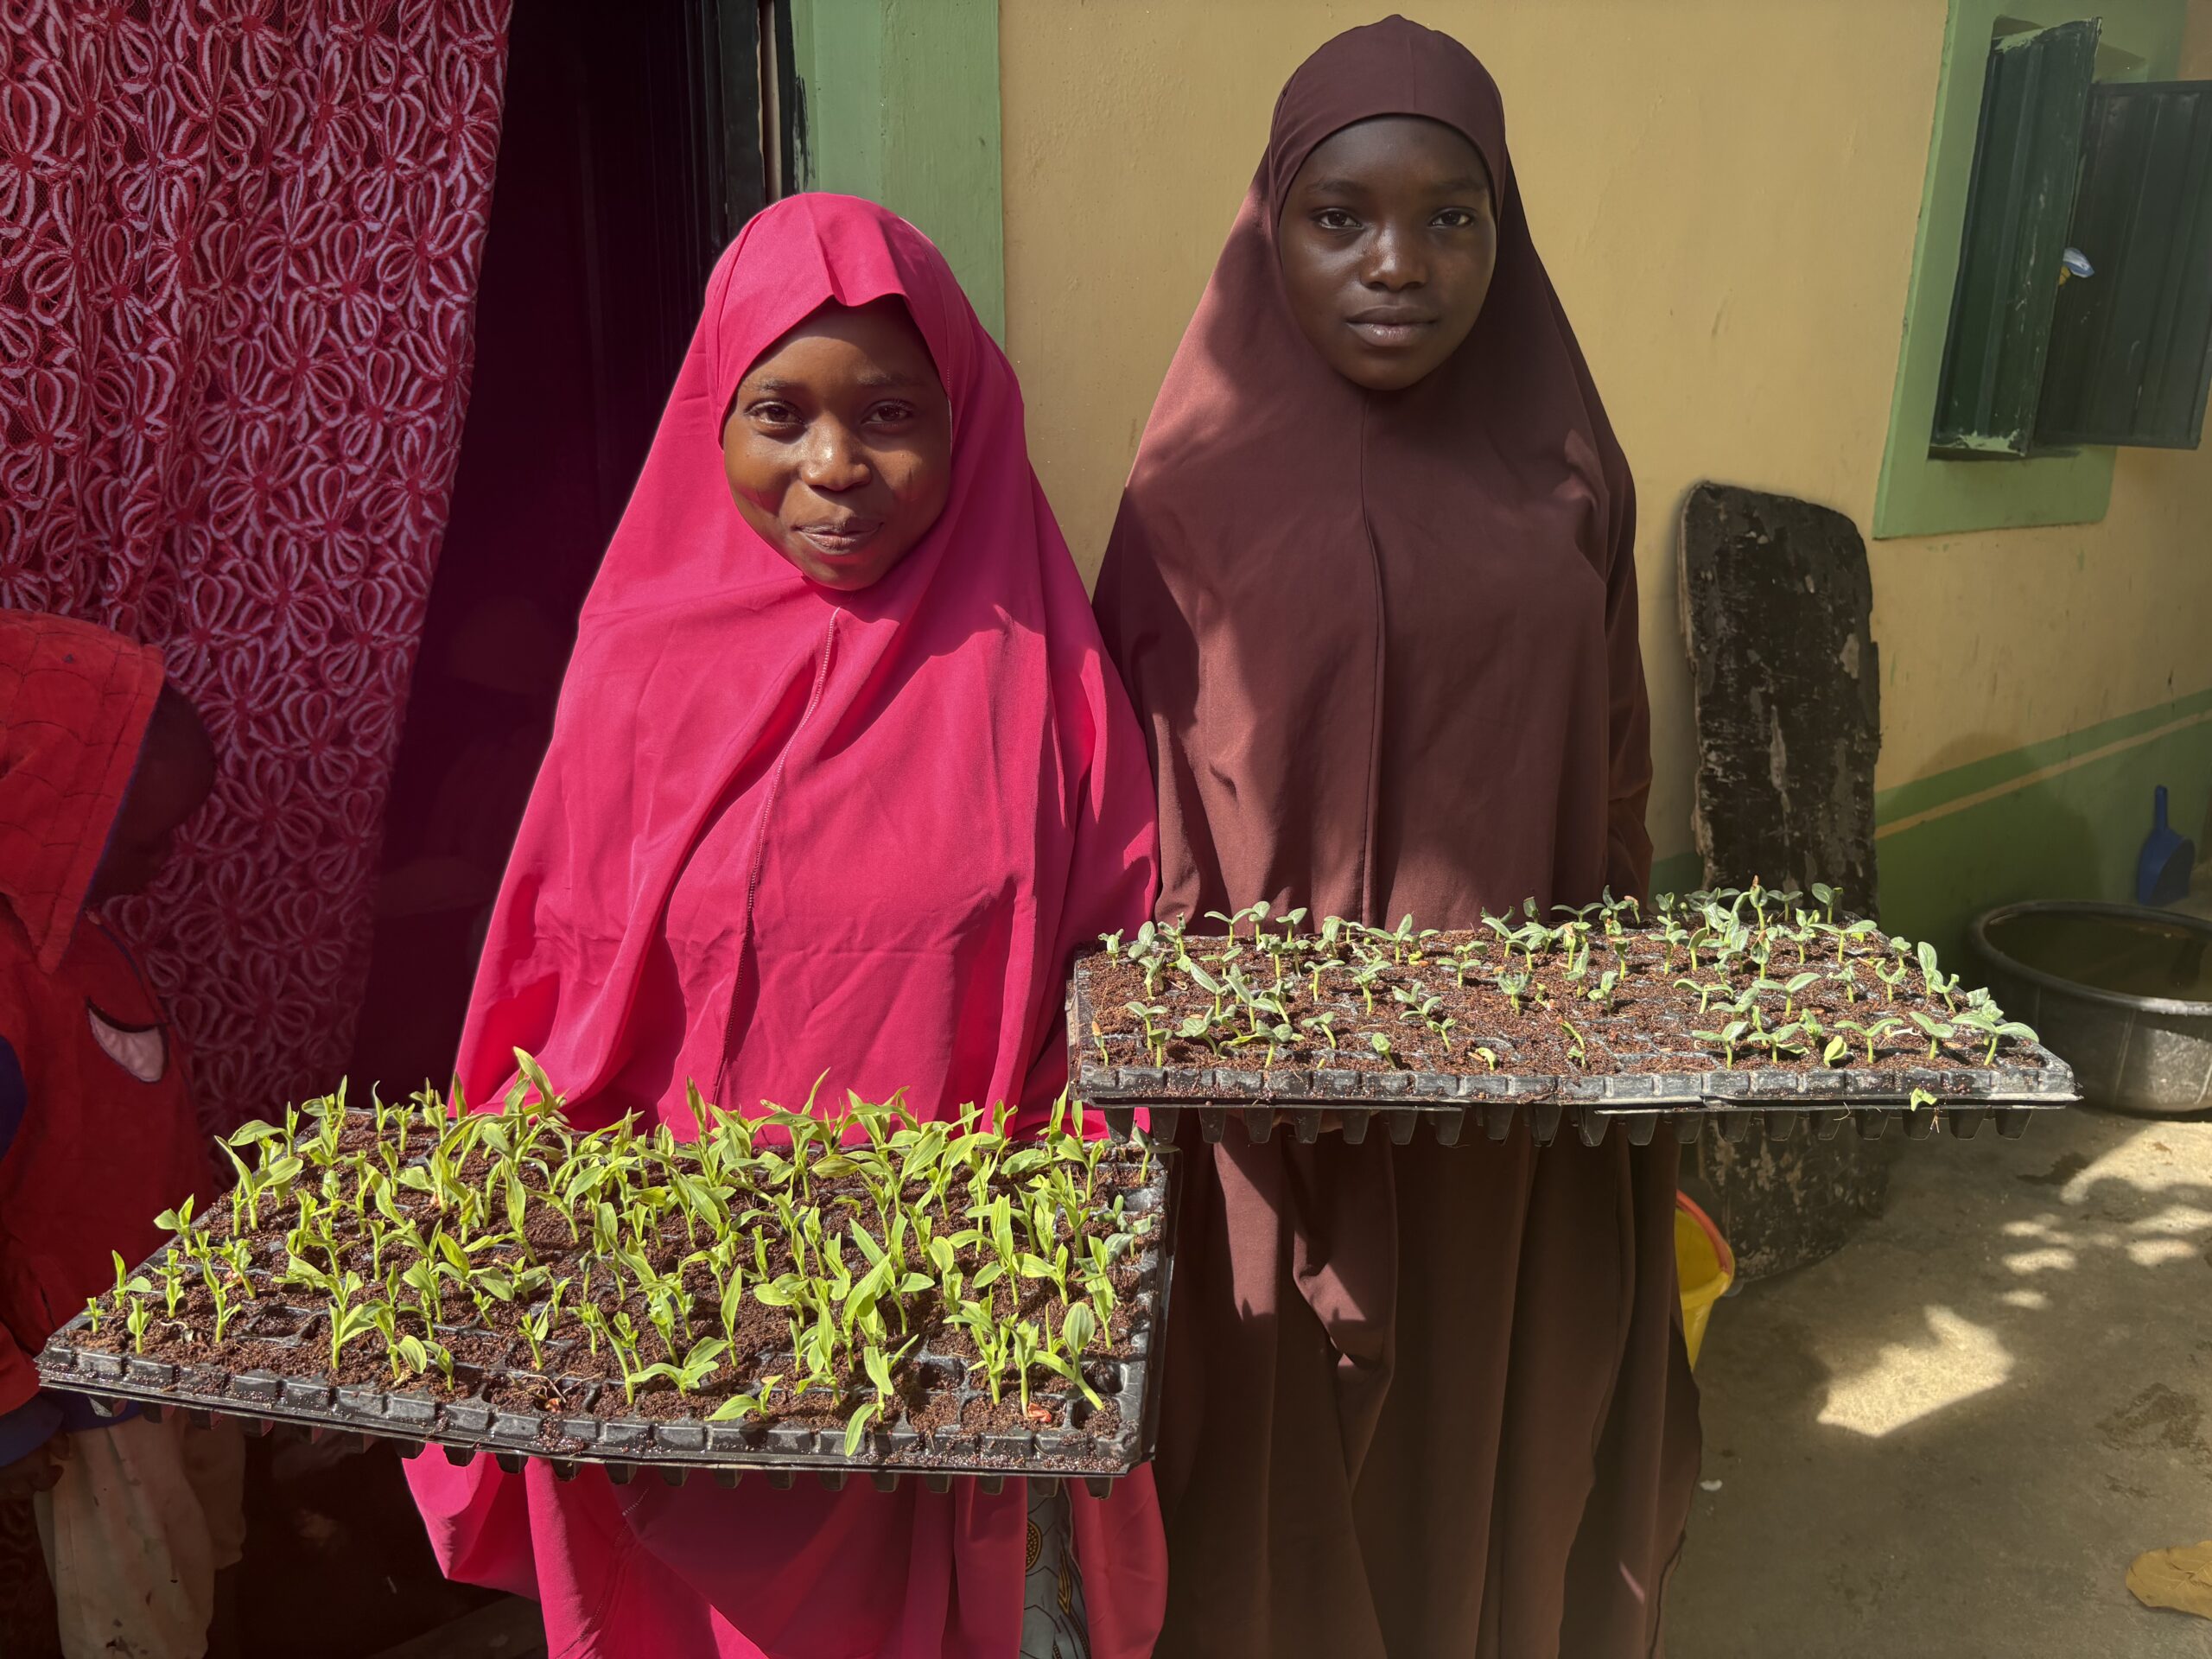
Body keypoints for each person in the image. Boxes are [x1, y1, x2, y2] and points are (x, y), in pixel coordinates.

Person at [404, 194, 1166, 1659]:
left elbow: (1108, 993)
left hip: (936, 1361)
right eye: (781, 414)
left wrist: (1029, 1279)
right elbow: (545, 992)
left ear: (966, 418)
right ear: (717, 415)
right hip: (686, 1360)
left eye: (889, 412)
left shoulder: (1041, 673)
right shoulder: (635, 670)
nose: (834, 467)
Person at [1093, 17, 1700, 1657]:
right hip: (1255, 1106)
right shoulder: (1184, 503)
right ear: (1268, 225)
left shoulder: (1568, 472)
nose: (1399, 265)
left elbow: (1617, 779)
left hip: (1500, 1106)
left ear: (1506, 236)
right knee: (1264, 1471)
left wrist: (1632, 1059)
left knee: (1472, 1445)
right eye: (1341, 216)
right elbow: (1124, 811)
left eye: (1453, 218)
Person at [0, 609, 244, 1658]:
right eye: (146, 837)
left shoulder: (74, 945)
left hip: (172, 1339)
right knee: (130, 1612)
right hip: (83, 1384)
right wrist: (10, 1407)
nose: (166, 860)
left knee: (193, 1565)